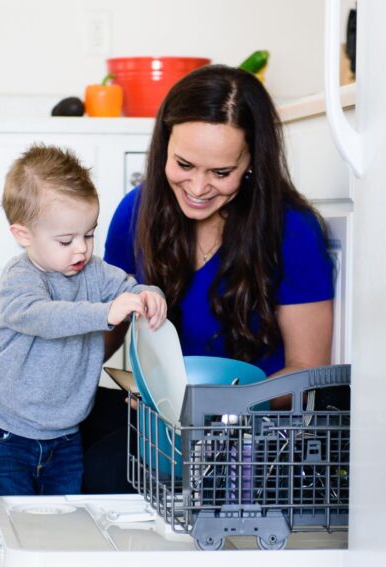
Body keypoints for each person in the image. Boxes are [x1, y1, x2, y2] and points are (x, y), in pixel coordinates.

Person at [81, 64, 335, 494]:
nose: (197, 187)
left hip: (251, 431)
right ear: (165, 144)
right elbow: (107, 329)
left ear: (252, 161)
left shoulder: (293, 230)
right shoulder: (137, 212)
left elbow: (307, 369)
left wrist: (206, 409)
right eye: (184, 164)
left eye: (221, 173)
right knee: (66, 453)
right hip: (161, 418)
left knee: (108, 476)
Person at [0, 144, 167, 567]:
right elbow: (45, 319)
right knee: (10, 516)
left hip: (63, 428)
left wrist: (149, 296)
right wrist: (107, 312)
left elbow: (131, 284)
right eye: (65, 239)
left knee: (62, 517)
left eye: (89, 234)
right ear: (23, 235)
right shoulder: (20, 281)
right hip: (8, 427)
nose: (81, 249)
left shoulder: (90, 273)